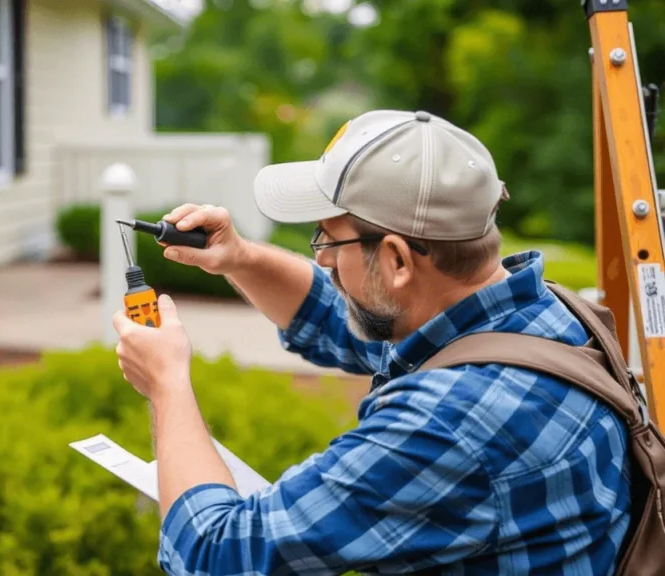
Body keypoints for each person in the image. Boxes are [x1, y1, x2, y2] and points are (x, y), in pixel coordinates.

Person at [110, 109, 631, 575]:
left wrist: (167, 384)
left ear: (398, 260)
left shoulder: (448, 423)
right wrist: (239, 257)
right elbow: (336, 319)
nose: (322, 260)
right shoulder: (540, 315)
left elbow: (215, 556)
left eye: (328, 240)